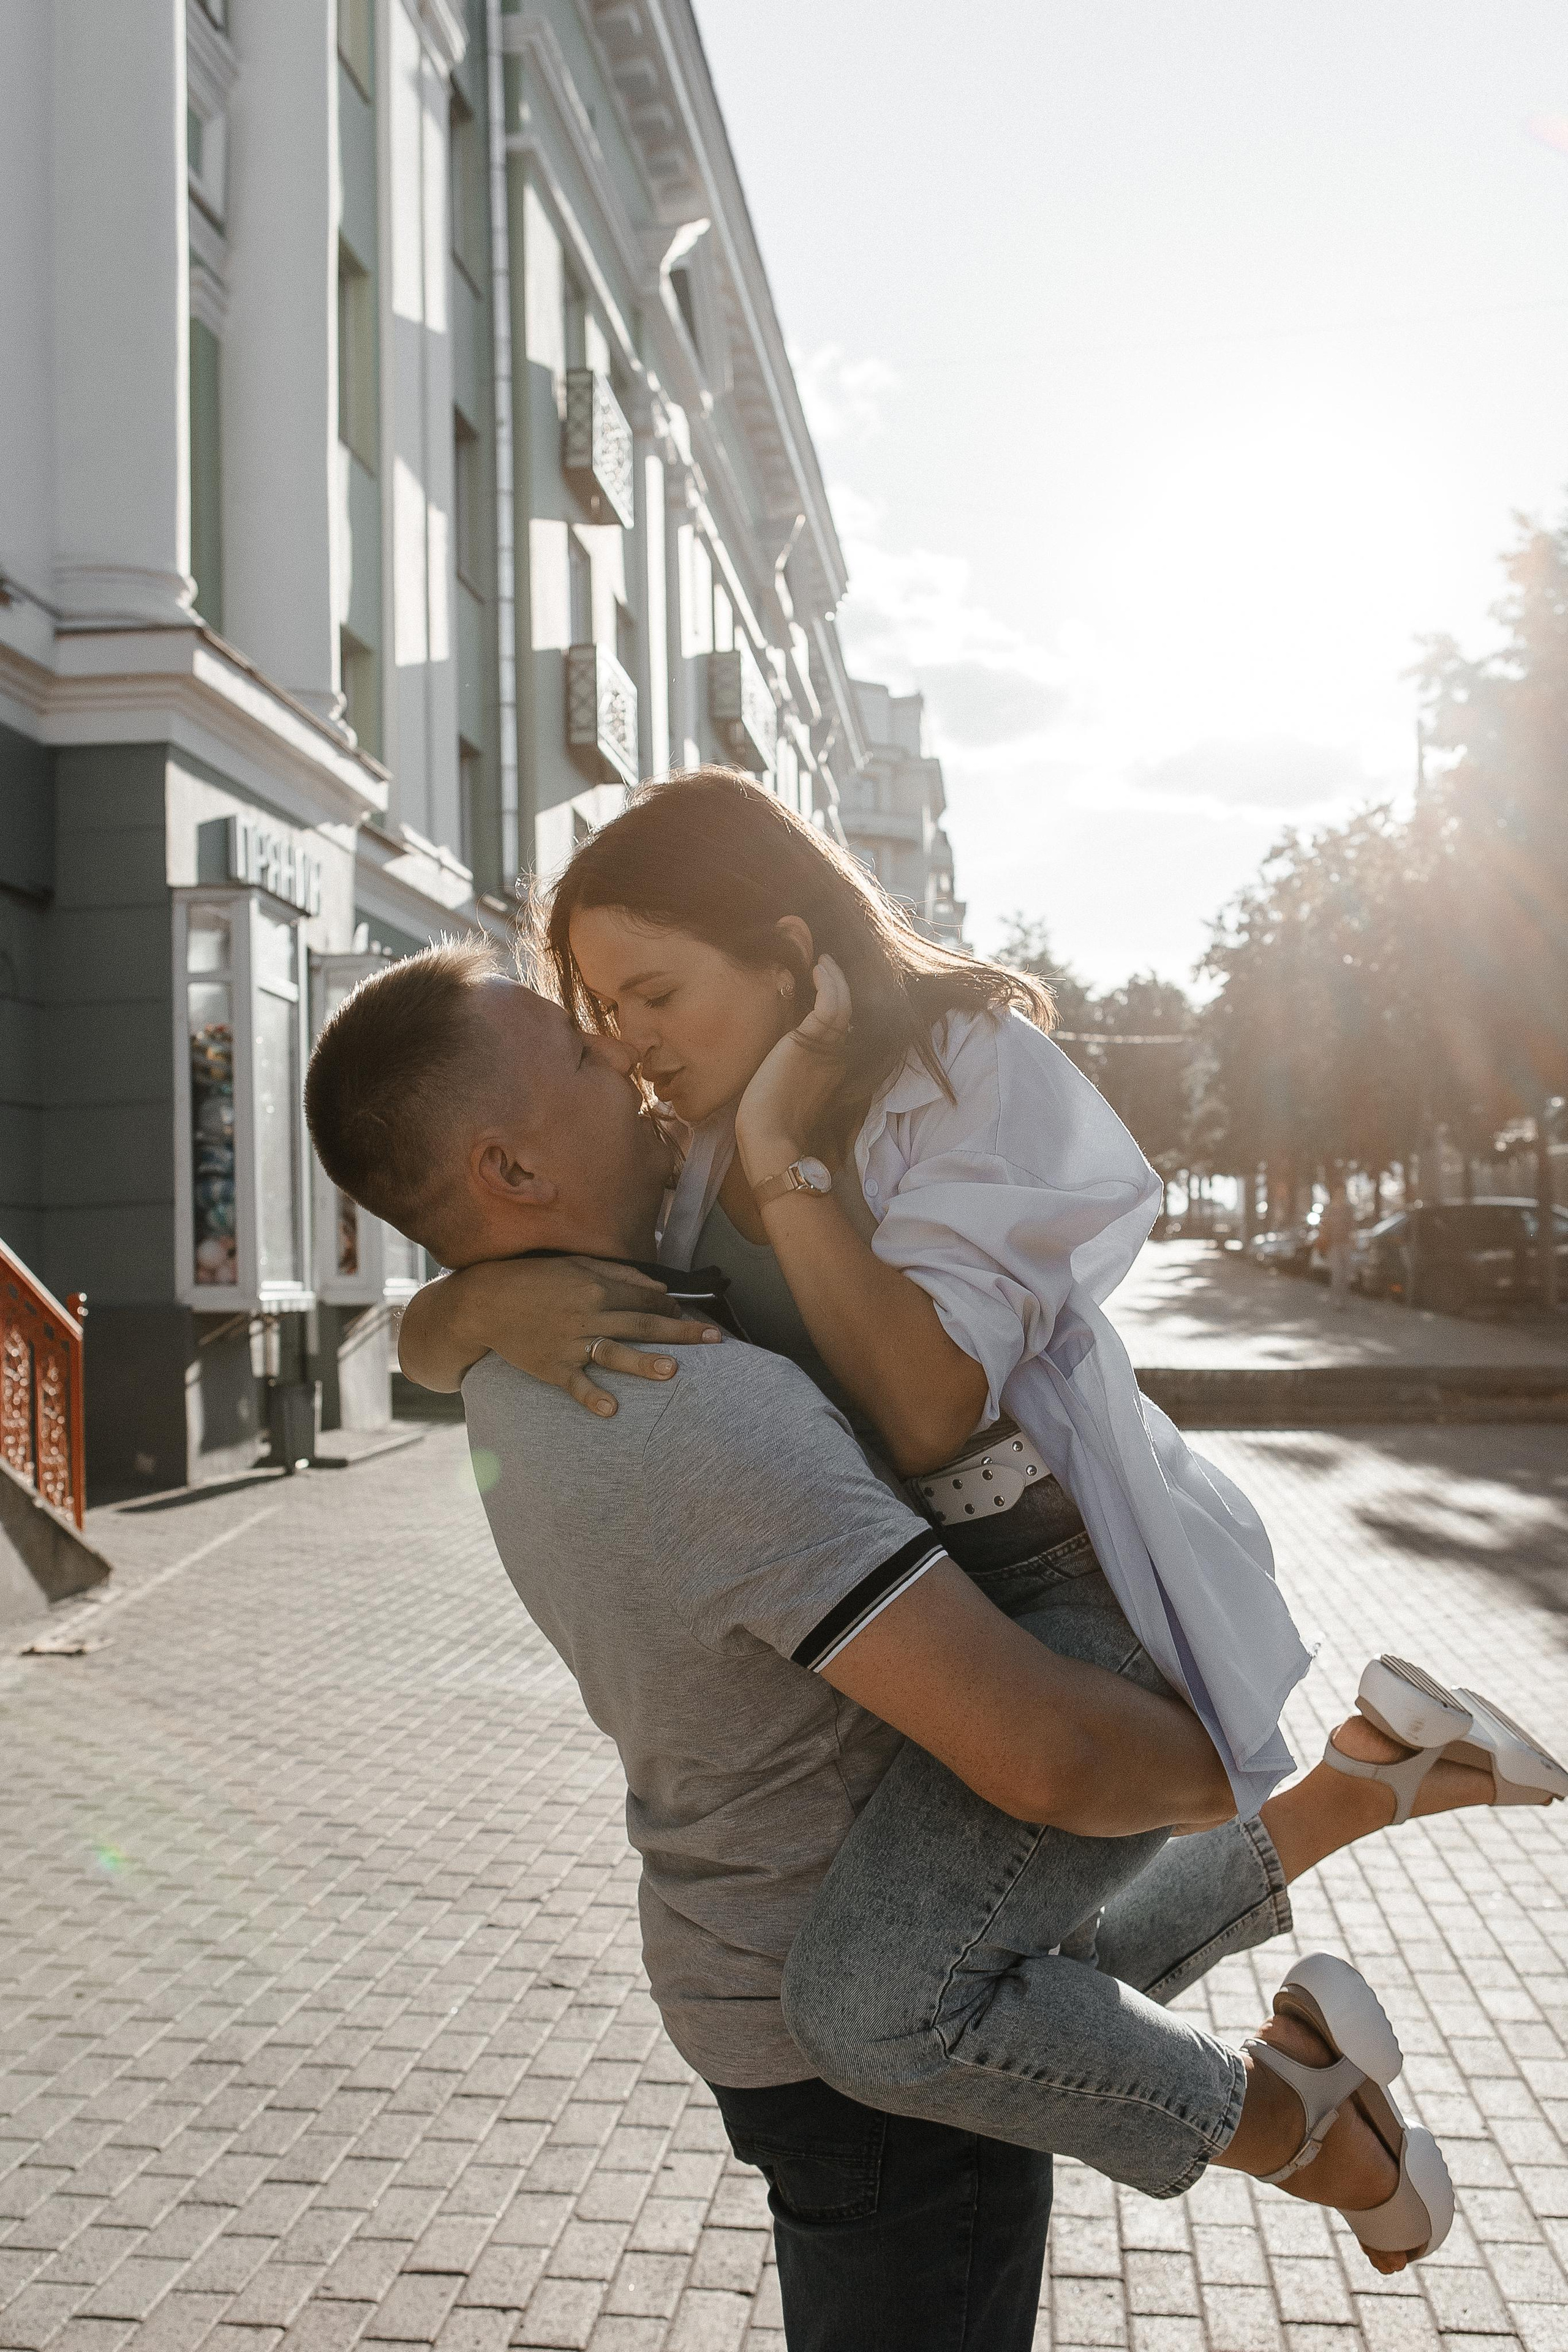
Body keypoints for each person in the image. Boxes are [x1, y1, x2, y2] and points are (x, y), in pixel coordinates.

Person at [306, 941, 1563, 2350]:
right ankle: (1306, 2111)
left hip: (773, 1960)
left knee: (1028, 1996)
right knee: (975, 1998)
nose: (633, 1059)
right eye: (586, 1052)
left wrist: (456, 1302)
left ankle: (1358, 1798)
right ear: (512, 1172)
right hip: (837, 2031)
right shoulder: (682, 1406)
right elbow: (1052, 1755)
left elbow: (454, 1308)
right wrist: (1212, 1756)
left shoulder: (545, 1346)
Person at [1322, 1183, 1357, 1308]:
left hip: (1345, 1244)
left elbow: (1352, 1226)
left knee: (1346, 1273)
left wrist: (1353, 1239)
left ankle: (1344, 1299)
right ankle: (1336, 1299)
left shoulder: (1348, 1209)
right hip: (1333, 1245)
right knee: (1337, 1273)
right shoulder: (1329, 1209)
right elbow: (1324, 1226)